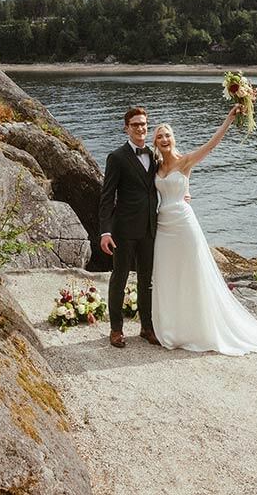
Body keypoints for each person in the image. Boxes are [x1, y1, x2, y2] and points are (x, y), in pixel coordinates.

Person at [150, 105, 257, 356]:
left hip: (184, 225)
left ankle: (198, 328)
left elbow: (211, 145)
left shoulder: (185, 161)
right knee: (167, 274)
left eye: (167, 135)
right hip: (163, 225)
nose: (164, 139)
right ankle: (172, 327)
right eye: (159, 136)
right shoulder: (155, 167)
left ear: (173, 139)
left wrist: (229, 119)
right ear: (155, 142)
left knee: (192, 273)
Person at [99, 106, 161, 348]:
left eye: (143, 124)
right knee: (120, 279)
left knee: (147, 281)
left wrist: (183, 194)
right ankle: (116, 329)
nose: (140, 128)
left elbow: (168, 178)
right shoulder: (116, 157)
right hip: (123, 231)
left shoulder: (155, 156)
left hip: (149, 229)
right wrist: (105, 231)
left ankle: (147, 327)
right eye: (135, 124)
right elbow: (107, 197)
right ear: (127, 128)